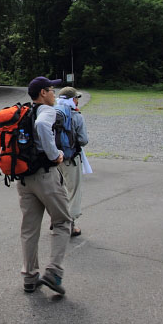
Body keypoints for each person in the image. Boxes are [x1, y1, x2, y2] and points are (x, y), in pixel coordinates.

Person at [18, 76, 69, 296]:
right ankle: (54, 272)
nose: (54, 94)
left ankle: (30, 277)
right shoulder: (45, 112)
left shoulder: (24, 111)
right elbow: (41, 125)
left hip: (24, 178)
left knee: (29, 229)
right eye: (51, 90)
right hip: (45, 177)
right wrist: (55, 155)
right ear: (42, 93)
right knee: (62, 222)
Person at [56, 87, 89, 237]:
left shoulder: (51, 112)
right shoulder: (76, 116)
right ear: (72, 99)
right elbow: (83, 140)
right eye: (76, 98)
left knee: (57, 192)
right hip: (70, 159)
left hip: (54, 159)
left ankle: (56, 222)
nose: (77, 100)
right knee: (73, 191)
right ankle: (70, 225)